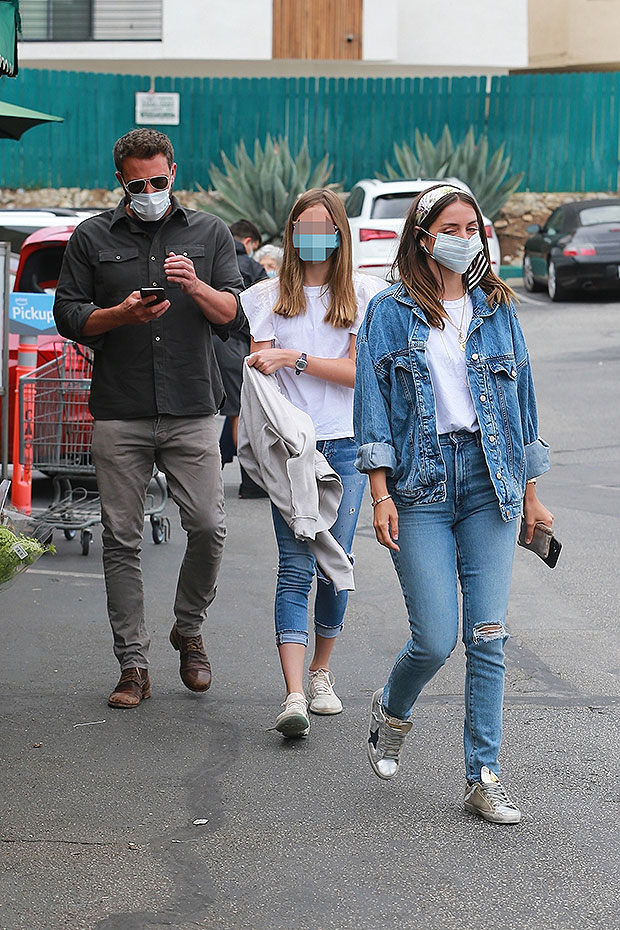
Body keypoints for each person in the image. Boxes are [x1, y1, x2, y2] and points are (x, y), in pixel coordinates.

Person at [354, 184, 553, 823]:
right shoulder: (389, 308)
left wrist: (531, 492)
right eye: (452, 227)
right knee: (436, 639)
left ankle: (484, 775)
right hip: (420, 485)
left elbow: (520, 403)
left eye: (474, 228)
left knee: (488, 635)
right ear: (422, 234)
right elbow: (372, 404)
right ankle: (392, 708)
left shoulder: (496, 307)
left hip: (489, 481)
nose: (465, 238)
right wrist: (379, 492)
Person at [53, 128, 244, 709]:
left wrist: (196, 284)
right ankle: (132, 664)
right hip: (121, 408)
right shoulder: (91, 237)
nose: (150, 191)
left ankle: (188, 630)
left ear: (173, 172)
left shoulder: (209, 233)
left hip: (191, 406)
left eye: (159, 180)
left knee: (209, 526)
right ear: (122, 181)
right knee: (121, 539)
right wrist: (119, 314)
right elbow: (68, 314)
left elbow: (234, 313)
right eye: (138, 183)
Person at [240, 188, 386, 738]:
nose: (313, 235)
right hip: (290, 449)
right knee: (294, 565)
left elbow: (360, 374)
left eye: (324, 226)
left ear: (340, 233)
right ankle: (295, 693)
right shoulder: (267, 296)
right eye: (303, 225)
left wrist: (296, 358)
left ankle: (323, 671)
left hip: (344, 445)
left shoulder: (366, 297)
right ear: (291, 232)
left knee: (336, 561)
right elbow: (260, 374)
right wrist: (274, 360)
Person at [214, 219, 268, 499]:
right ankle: (251, 481)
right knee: (242, 414)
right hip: (236, 346)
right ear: (248, 243)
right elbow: (264, 310)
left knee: (230, 410)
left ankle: (218, 461)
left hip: (207, 345)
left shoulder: (213, 258)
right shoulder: (251, 267)